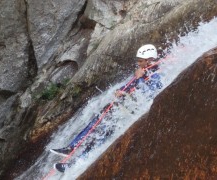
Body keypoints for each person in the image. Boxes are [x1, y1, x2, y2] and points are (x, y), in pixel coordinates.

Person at [50, 44, 163, 172]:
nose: (138, 63)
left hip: (130, 114)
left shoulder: (156, 73)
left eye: (141, 61)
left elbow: (151, 93)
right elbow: (128, 87)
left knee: (101, 136)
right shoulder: (144, 72)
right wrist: (120, 91)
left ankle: (74, 164)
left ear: (149, 60)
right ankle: (72, 147)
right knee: (97, 120)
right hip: (124, 109)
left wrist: (140, 78)